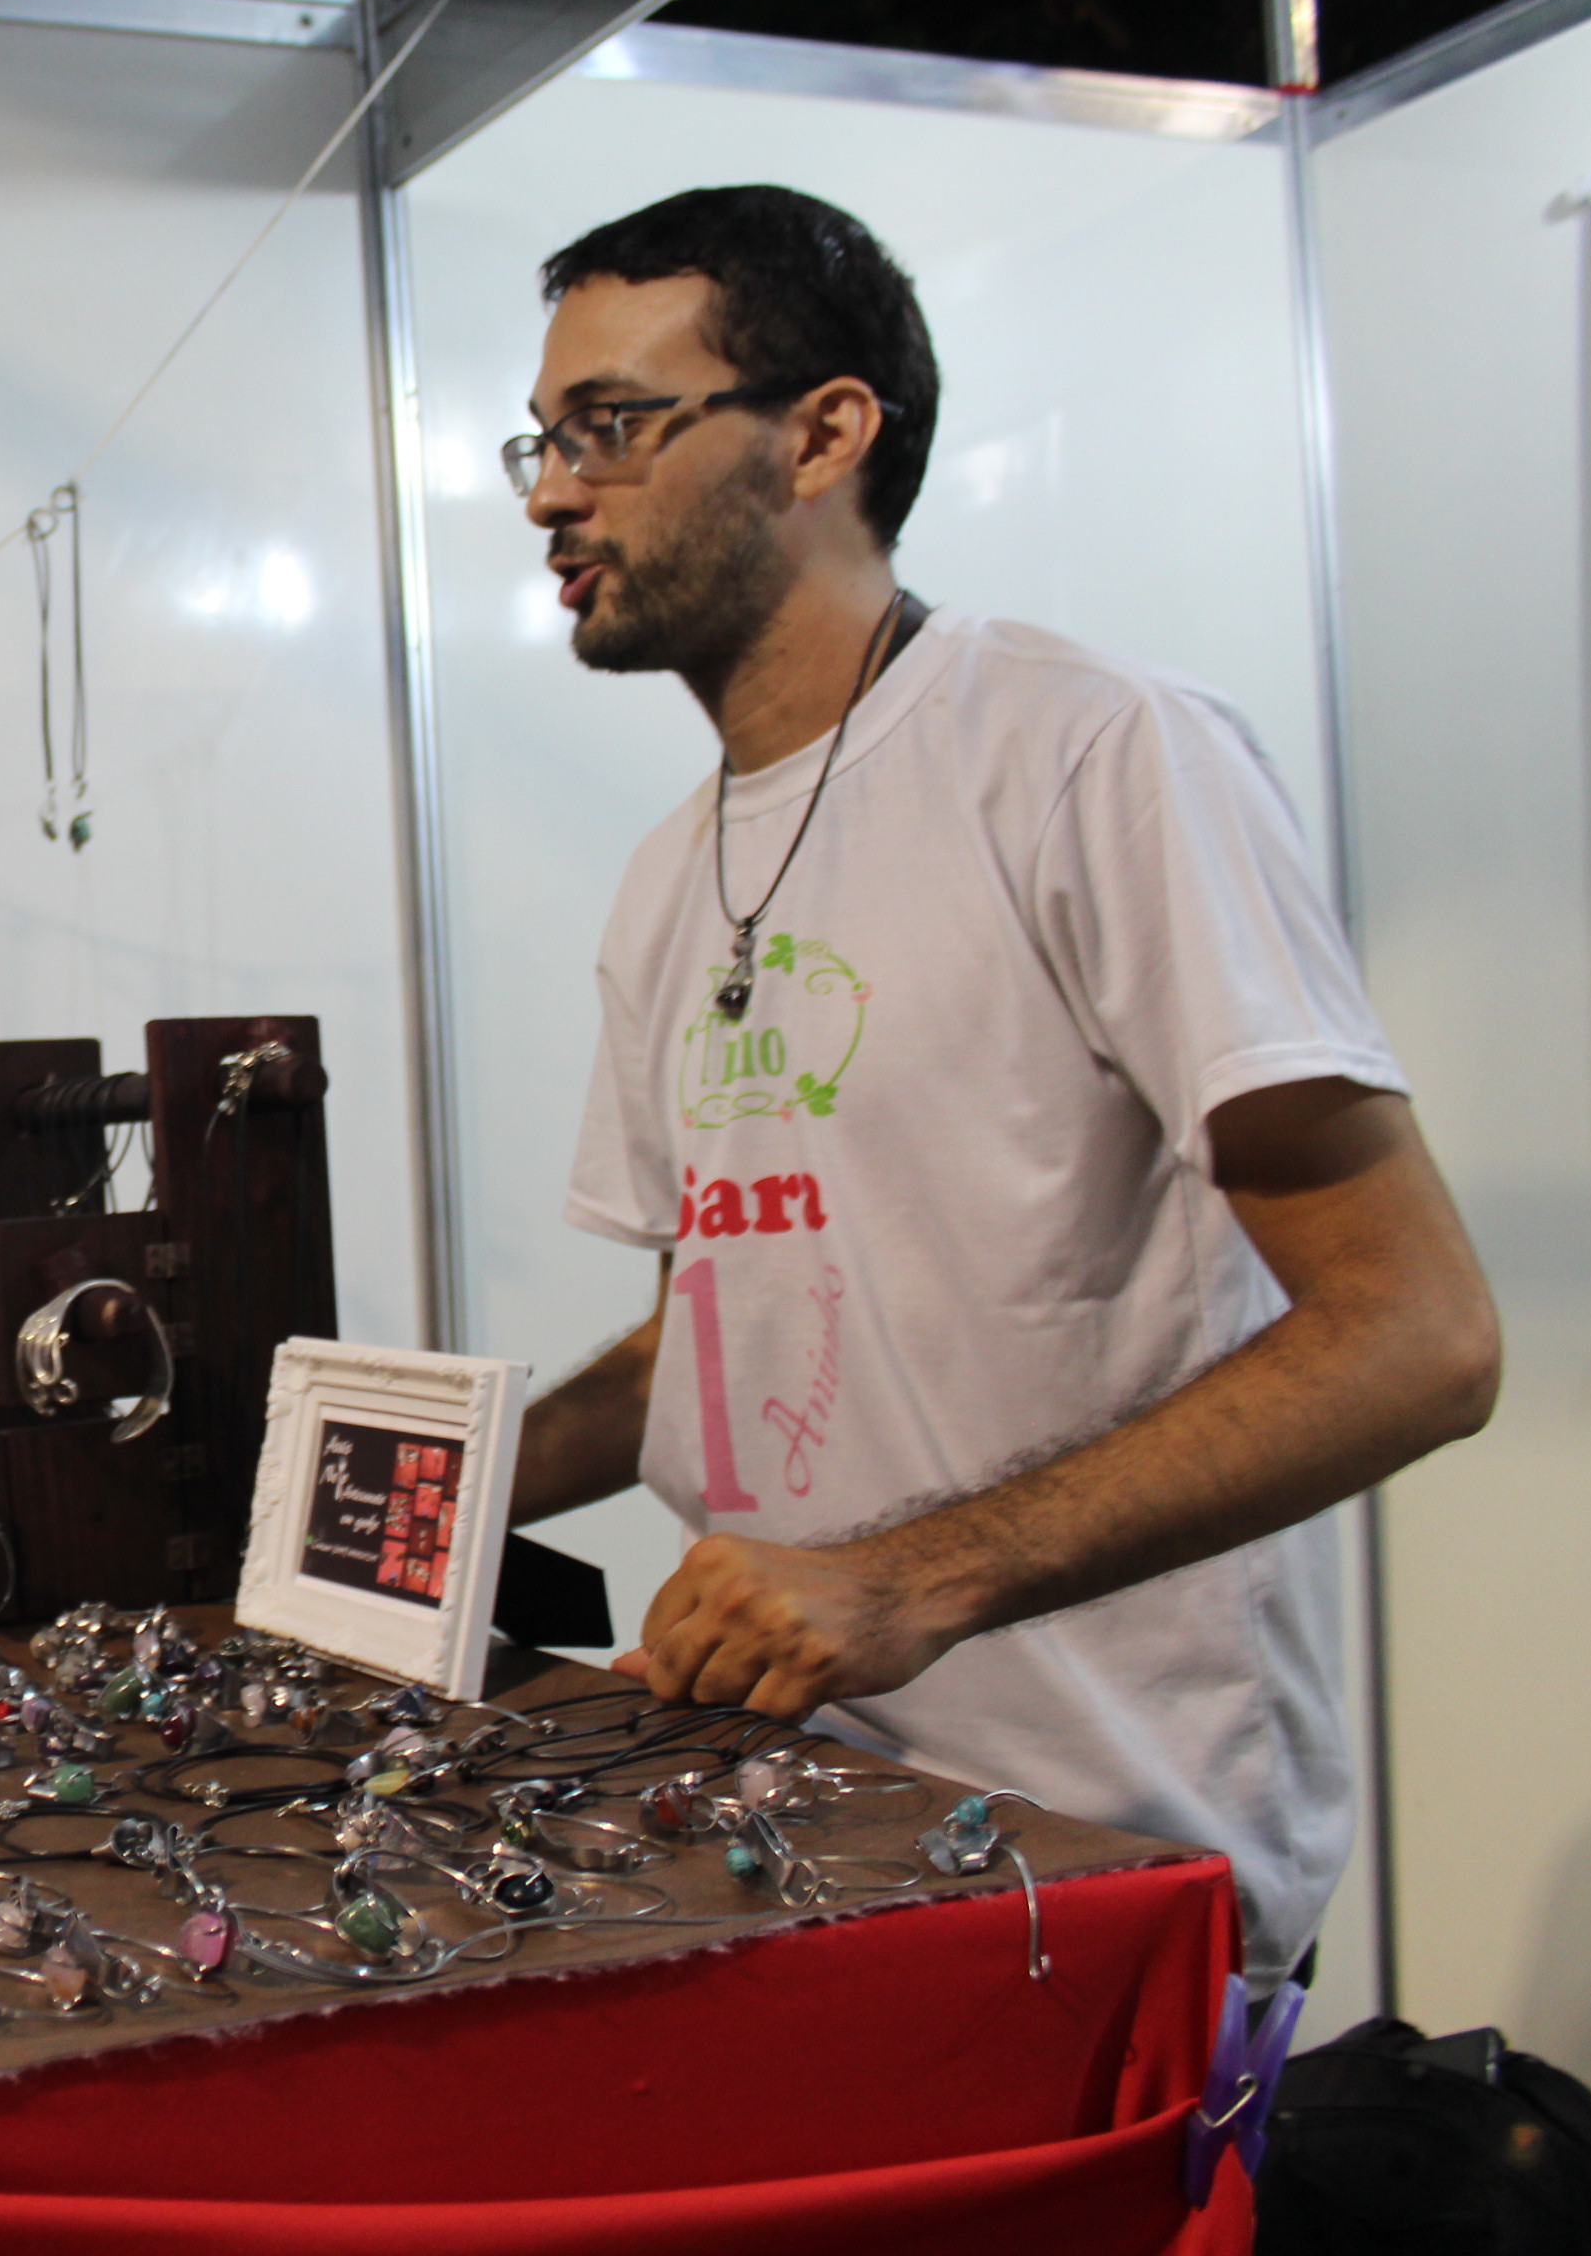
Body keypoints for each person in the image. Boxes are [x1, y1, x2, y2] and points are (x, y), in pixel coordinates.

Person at [498, 186, 1501, 1988]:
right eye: (544, 441)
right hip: (802, 1830)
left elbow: (1418, 1335)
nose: (553, 495)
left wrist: (903, 1580)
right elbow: (718, 1321)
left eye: (613, 427)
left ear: (824, 435)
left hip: (1111, 1864)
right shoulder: (666, 877)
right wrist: (419, 1482)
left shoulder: (1092, 753)